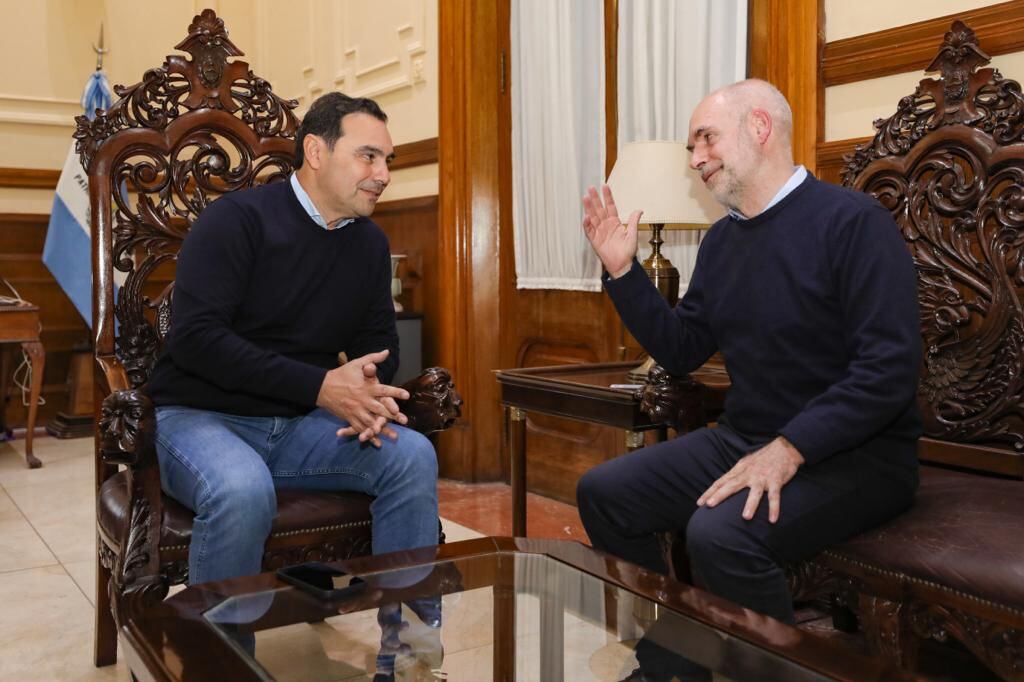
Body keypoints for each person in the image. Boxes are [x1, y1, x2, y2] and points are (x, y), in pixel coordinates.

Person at [577, 79, 922, 680]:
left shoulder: (854, 223)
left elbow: (887, 373)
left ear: (760, 128)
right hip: (749, 438)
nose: (695, 159)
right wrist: (623, 271)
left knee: (720, 536)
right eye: (692, 147)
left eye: (705, 139)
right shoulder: (722, 242)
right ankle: (677, 657)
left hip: (859, 456)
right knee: (605, 493)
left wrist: (791, 448)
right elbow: (682, 349)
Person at [146, 92, 440, 587]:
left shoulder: (368, 243)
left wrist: (363, 388)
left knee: (412, 456)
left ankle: (408, 650)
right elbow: (196, 340)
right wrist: (322, 387)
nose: (384, 174)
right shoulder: (235, 221)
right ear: (316, 152)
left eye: (387, 160)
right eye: (368, 156)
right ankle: (217, 658)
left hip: (302, 427)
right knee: (241, 488)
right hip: (198, 416)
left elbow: (379, 348)